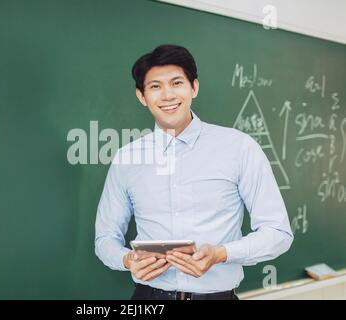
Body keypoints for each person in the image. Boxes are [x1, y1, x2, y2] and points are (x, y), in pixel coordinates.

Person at [95, 44, 293, 300]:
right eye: (155, 87)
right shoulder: (127, 158)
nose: (167, 95)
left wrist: (222, 254)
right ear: (141, 97)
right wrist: (127, 259)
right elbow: (105, 239)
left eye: (177, 83)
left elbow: (278, 233)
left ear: (194, 88)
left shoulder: (238, 147)